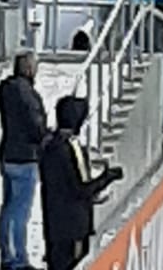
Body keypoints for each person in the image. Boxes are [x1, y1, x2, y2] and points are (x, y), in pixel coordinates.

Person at [38, 95, 121, 270]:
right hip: (74, 227)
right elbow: (81, 189)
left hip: (53, 223)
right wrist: (107, 177)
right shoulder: (71, 147)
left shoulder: (48, 144)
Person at [0, 51, 47, 270]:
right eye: (34, 66)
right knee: (19, 210)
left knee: (8, 207)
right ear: (28, 68)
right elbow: (36, 127)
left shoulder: (5, 90)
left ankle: (8, 253)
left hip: (7, 153)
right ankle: (16, 259)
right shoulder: (28, 94)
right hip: (25, 157)